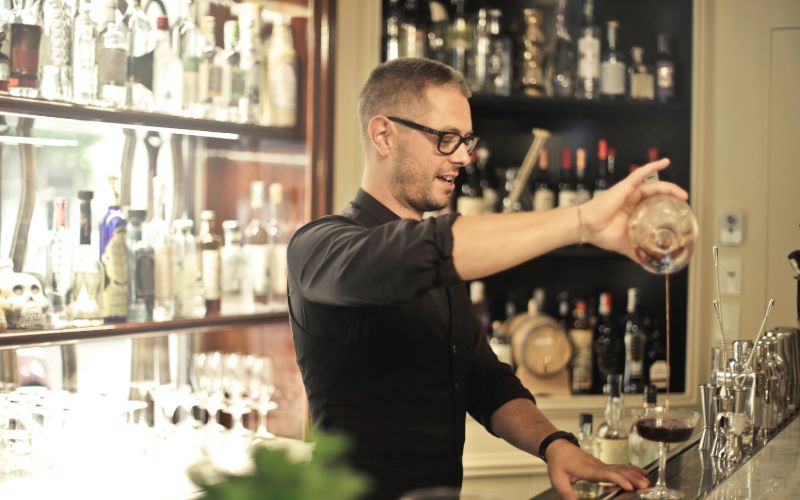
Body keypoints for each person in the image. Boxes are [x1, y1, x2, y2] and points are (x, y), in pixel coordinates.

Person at [287, 58, 686, 500]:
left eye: (466, 141)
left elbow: (483, 379)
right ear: (384, 135)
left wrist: (555, 446)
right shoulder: (319, 247)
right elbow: (422, 251)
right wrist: (581, 222)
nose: (463, 157)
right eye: (445, 139)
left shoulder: (443, 268)